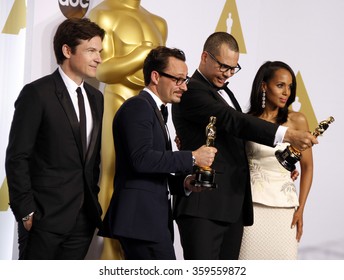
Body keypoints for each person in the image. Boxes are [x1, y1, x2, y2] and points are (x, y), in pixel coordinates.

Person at [171, 32, 317, 260]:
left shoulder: (225, 91)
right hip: (204, 205)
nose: (228, 74)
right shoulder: (192, 91)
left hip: (232, 208)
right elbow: (232, 120)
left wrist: (280, 168)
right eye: (223, 66)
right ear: (205, 57)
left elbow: (236, 140)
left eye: (233, 68)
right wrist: (285, 134)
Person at [100, 46, 217, 260]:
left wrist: (183, 183)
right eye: (178, 80)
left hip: (149, 222)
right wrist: (192, 157)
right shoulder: (138, 107)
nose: (184, 87)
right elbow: (141, 160)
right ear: (155, 76)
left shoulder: (155, 110)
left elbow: (151, 172)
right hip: (141, 221)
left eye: (185, 80)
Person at [5, 18, 105, 260]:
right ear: (67, 50)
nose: (99, 59)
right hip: (43, 219)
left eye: (100, 52)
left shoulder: (96, 98)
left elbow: (91, 159)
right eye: (91, 50)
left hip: (83, 222)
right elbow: (17, 156)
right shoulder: (37, 93)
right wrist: (26, 212)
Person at [88, 0, 167, 259]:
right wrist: (138, 56)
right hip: (118, 99)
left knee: (149, 176)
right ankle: (110, 255)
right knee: (111, 176)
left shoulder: (158, 22)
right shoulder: (103, 14)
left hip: (151, 107)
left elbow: (161, 75)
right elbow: (101, 70)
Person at [239, 61, 313, 259]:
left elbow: (308, 167)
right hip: (251, 208)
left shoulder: (297, 120)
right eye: (280, 85)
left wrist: (301, 209)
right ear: (264, 86)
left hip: (285, 210)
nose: (286, 92)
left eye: (290, 87)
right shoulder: (246, 121)